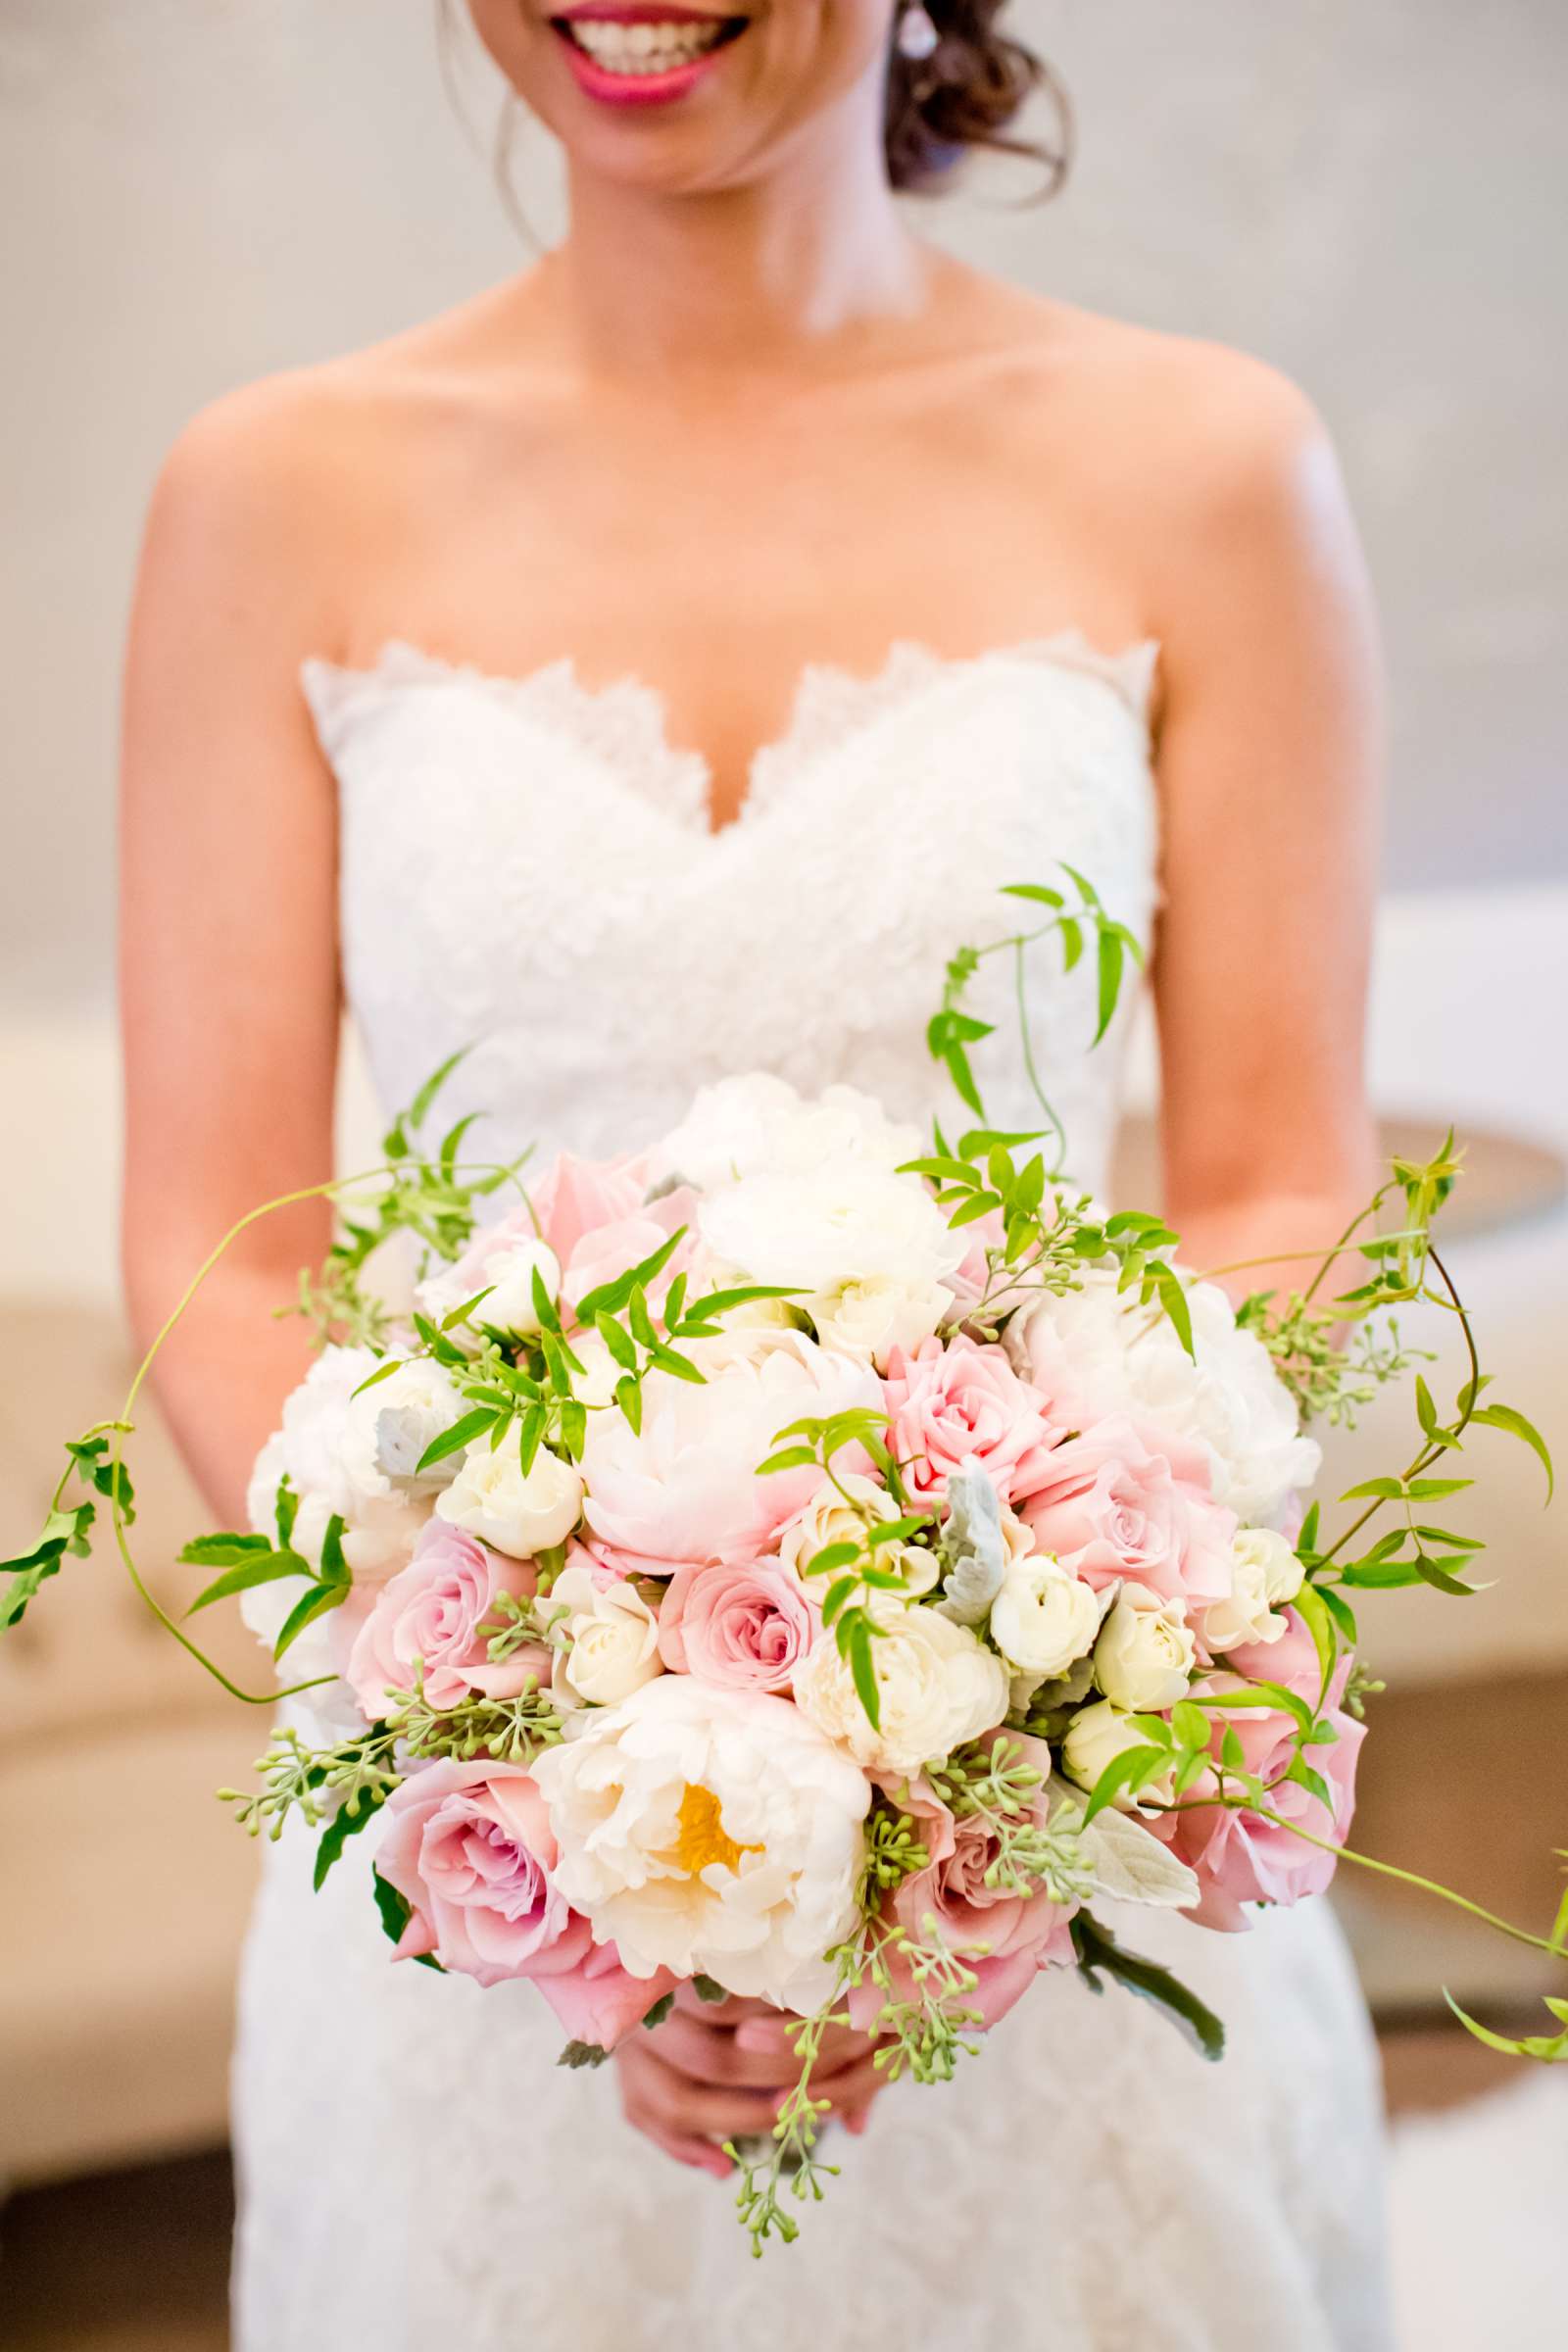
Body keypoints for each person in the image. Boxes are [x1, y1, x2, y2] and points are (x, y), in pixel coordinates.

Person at [120, 2, 1390, 2343]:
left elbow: (1269, 1182)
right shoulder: (271, 490)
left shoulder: (1202, 467)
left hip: (1041, 1871)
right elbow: (226, 1250)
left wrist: (967, 1804)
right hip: (472, 1880)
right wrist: (517, 1757)